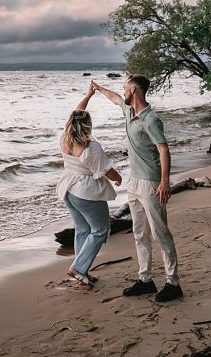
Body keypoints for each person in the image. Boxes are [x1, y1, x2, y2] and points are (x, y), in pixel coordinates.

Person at [92, 75, 182, 302]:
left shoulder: (151, 119)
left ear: (133, 89)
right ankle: (145, 280)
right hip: (134, 182)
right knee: (139, 232)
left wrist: (165, 181)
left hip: (151, 183)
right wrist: (98, 88)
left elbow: (163, 149)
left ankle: (173, 283)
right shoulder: (128, 110)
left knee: (160, 233)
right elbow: (114, 98)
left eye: (125, 88)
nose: (122, 91)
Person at [57, 83, 123, 286]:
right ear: (88, 126)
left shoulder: (65, 138)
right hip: (85, 192)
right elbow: (105, 170)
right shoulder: (91, 146)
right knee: (101, 229)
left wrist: (88, 96)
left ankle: (80, 268)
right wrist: (117, 178)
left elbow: (77, 113)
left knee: (83, 229)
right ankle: (79, 268)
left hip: (68, 189)